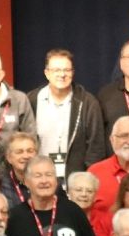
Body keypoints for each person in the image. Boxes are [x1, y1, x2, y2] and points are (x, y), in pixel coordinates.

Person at [27, 49, 106, 177]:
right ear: (47, 73)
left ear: (73, 73)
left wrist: (86, 179)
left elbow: (96, 147)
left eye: (67, 70)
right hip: (39, 177)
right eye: (56, 70)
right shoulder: (31, 100)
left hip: (76, 180)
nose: (62, 74)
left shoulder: (88, 103)